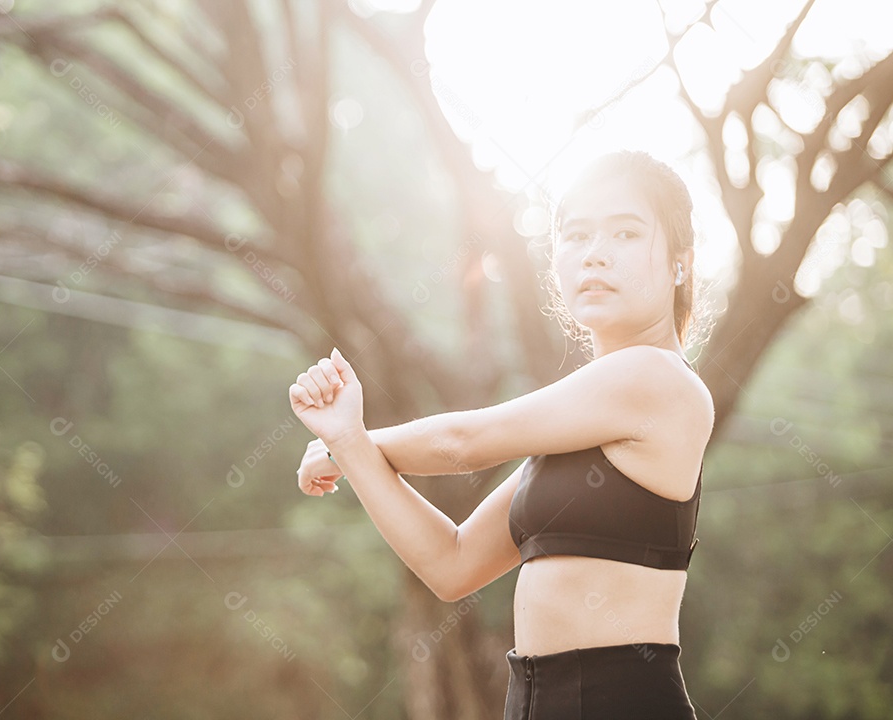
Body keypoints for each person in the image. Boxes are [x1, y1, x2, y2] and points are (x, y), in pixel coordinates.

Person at [288, 150, 714, 719]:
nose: (595, 255)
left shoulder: (656, 377)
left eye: (627, 233)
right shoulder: (578, 431)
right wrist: (348, 443)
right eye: (577, 235)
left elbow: (463, 443)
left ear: (680, 264)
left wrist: (353, 446)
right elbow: (452, 564)